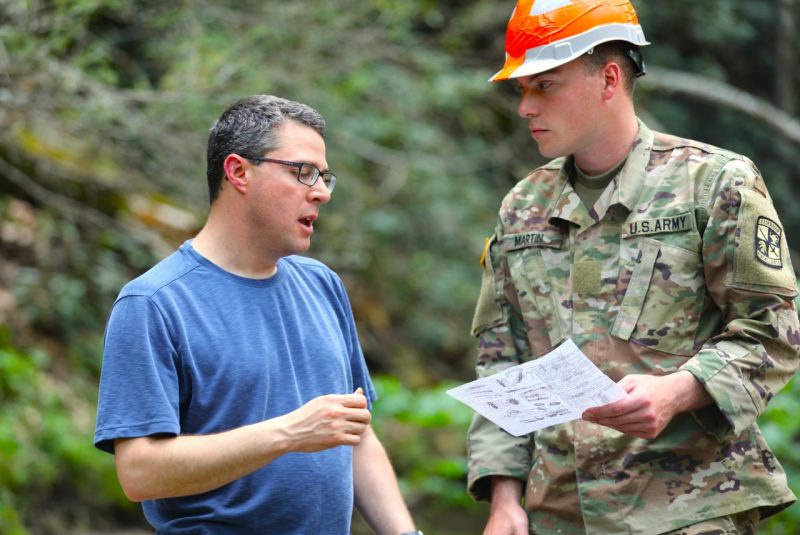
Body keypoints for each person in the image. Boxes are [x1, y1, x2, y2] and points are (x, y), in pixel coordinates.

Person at [467, 1, 800, 534]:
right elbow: (501, 363)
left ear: (608, 79)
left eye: (544, 85)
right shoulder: (523, 206)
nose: (525, 107)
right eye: (521, 90)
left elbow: (774, 333)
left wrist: (680, 390)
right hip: (557, 515)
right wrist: (505, 498)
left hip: (688, 511)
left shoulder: (714, 184)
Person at [94, 95, 422, 535]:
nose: (321, 192)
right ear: (238, 172)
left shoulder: (322, 284)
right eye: (303, 172)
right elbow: (139, 472)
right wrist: (289, 433)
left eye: (325, 177)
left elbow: (354, 434)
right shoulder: (153, 303)